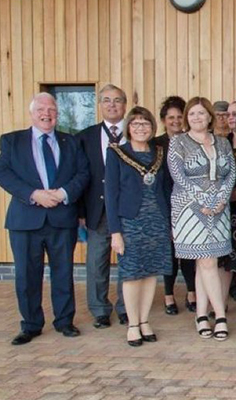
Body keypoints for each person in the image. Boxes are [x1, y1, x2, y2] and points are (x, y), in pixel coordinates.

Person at [0, 93, 90, 345]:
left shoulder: (71, 142)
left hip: (62, 217)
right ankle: (30, 325)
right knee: (27, 275)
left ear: (57, 114)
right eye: (41, 108)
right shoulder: (11, 141)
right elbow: (3, 173)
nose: (47, 113)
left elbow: (83, 173)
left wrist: (63, 193)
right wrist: (33, 194)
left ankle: (64, 321)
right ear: (31, 113)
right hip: (25, 219)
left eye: (52, 109)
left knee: (63, 272)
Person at [168, 96, 235, 342]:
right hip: (189, 208)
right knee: (207, 262)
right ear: (187, 117)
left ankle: (201, 315)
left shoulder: (222, 143)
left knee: (205, 263)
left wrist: (220, 200)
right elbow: (179, 176)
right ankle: (220, 316)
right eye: (192, 114)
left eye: (201, 113)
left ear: (209, 116)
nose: (197, 117)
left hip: (219, 207)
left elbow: (230, 175)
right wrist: (204, 201)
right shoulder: (178, 142)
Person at [105, 106, 172, 346]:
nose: (141, 128)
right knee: (132, 274)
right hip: (130, 223)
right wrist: (115, 232)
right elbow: (110, 194)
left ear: (153, 127)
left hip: (157, 221)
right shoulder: (116, 153)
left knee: (151, 272)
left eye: (145, 123)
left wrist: (170, 222)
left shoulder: (160, 153)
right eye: (135, 124)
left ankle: (145, 321)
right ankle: (133, 324)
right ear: (128, 128)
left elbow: (165, 189)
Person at [77, 84, 128, 328]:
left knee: (128, 261)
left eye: (117, 100)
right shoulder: (85, 137)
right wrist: (80, 213)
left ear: (124, 105)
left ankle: (126, 307)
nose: (112, 104)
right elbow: (79, 177)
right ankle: (100, 310)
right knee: (97, 262)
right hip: (97, 211)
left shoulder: (136, 132)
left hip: (128, 211)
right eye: (106, 100)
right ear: (100, 105)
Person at [154, 96, 197, 315]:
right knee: (169, 252)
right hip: (164, 204)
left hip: (189, 204)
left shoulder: (192, 141)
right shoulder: (156, 145)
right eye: (171, 117)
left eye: (180, 117)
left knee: (188, 252)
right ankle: (169, 295)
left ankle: (191, 293)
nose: (176, 121)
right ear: (163, 120)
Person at [217, 101, 236, 312]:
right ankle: (220, 304)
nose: (231, 117)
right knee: (223, 259)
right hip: (223, 210)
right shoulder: (222, 143)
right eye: (229, 114)